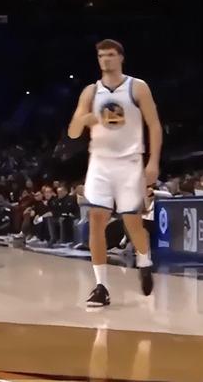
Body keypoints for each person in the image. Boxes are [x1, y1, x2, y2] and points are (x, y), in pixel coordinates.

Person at [68, 39, 162, 308]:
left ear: (121, 57)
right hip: (100, 162)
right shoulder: (90, 92)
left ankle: (144, 259)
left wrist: (153, 162)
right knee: (96, 220)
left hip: (129, 162)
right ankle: (101, 287)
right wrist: (85, 120)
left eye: (110, 54)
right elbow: (73, 132)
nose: (106, 59)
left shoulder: (137, 87)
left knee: (132, 222)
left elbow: (154, 125)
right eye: (101, 55)